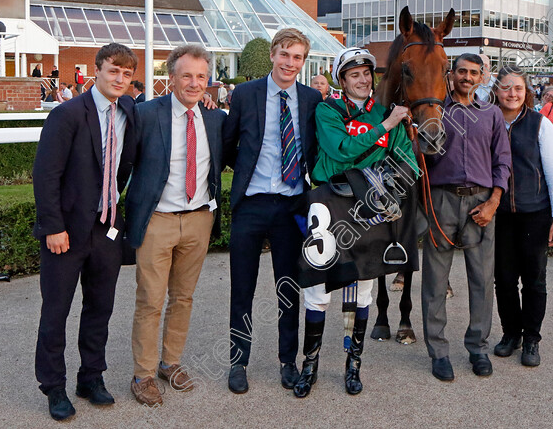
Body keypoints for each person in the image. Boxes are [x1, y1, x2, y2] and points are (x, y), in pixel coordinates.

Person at [292, 47, 416, 398]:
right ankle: (310, 366)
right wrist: (386, 127)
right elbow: (341, 151)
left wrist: (395, 173)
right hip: (330, 205)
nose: (362, 80)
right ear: (341, 80)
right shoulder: (327, 110)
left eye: (366, 74)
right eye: (354, 75)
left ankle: (353, 364)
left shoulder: (383, 112)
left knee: (362, 290)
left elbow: (409, 161)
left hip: (370, 209)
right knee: (317, 291)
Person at [32, 43, 138, 422]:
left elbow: (124, 165)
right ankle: (54, 386)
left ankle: (91, 377)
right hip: (67, 233)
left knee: (100, 309)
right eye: (114, 71)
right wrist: (53, 227)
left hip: (107, 229)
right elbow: (45, 174)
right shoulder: (67, 114)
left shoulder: (129, 111)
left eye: (127, 73)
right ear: (96, 71)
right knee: (56, 311)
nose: (120, 79)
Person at [222, 28, 322, 394]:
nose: (290, 63)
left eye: (297, 57)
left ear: (303, 61)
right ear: (272, 55)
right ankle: (238, 362)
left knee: (288, 289)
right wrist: (250, 171)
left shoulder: (312, 99)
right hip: (251, 204)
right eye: (284, 54)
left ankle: (287, 361)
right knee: (242, 289)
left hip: (291, 205)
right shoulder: (246, 94)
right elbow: (229, 145)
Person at [125, 44, 225, 406]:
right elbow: (126, 163)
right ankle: (144, 373)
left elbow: (223, 160)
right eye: (187, 75)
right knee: (150, 299)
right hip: (157, 221)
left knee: (183, 298)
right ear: (172, 77)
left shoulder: (215, 118)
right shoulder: (147, 114)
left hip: (199, 220)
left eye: (201, 76)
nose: (194, 83)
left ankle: (170, 362)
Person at [422, 53, 511, 382]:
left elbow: (503, 162)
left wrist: (494, 201)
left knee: (482, 279)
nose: (468, 77)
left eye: (474, 72)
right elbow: (419, 160)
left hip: (481, 202)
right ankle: (439, 351)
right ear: (452, 74)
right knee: (434, 279)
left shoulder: (492, 115)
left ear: (482, 77)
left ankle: (477, 347)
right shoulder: (436, 111)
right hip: (442, 200)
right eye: (462, 71)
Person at [491, 65, 553, 368]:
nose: (512, 94)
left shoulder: (540, 124)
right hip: (500, 215)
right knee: (504, 280)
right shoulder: (488, 120)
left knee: (534, 280)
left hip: (535, 213)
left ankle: (531, 338)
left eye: (518, 88)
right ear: (496, 90)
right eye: (506, 87)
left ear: (526, 91)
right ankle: (511, 334)